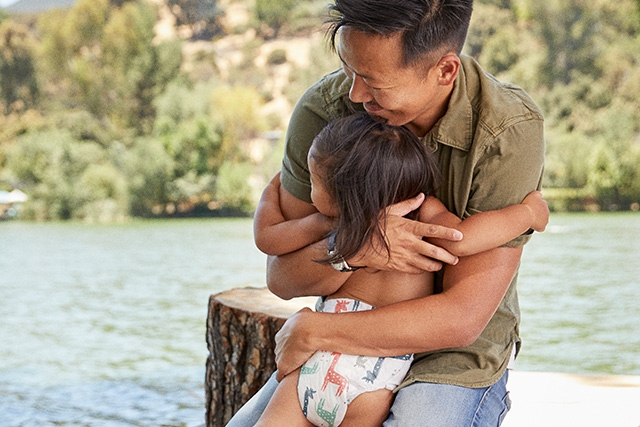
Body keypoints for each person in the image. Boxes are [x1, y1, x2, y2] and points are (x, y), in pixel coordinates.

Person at [228, 0, 546, 425]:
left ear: (445, 71)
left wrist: (315, 331)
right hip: (337, 348)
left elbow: (461, 318)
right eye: (348, 68)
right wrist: (353, 250)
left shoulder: (508, 130)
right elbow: (283, 278)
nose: (355, 95)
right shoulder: (325, 111)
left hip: (449, 357)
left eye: (374, 83)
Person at [251, 113, 548, 427]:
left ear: (341, 191)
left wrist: (271, 190)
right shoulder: (422, 213)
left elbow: (268, 236)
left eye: (313, 181)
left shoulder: (333, 220)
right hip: (375, 378)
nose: (310, 190)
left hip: (315, 364)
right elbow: (464, 239)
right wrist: (527, 213)